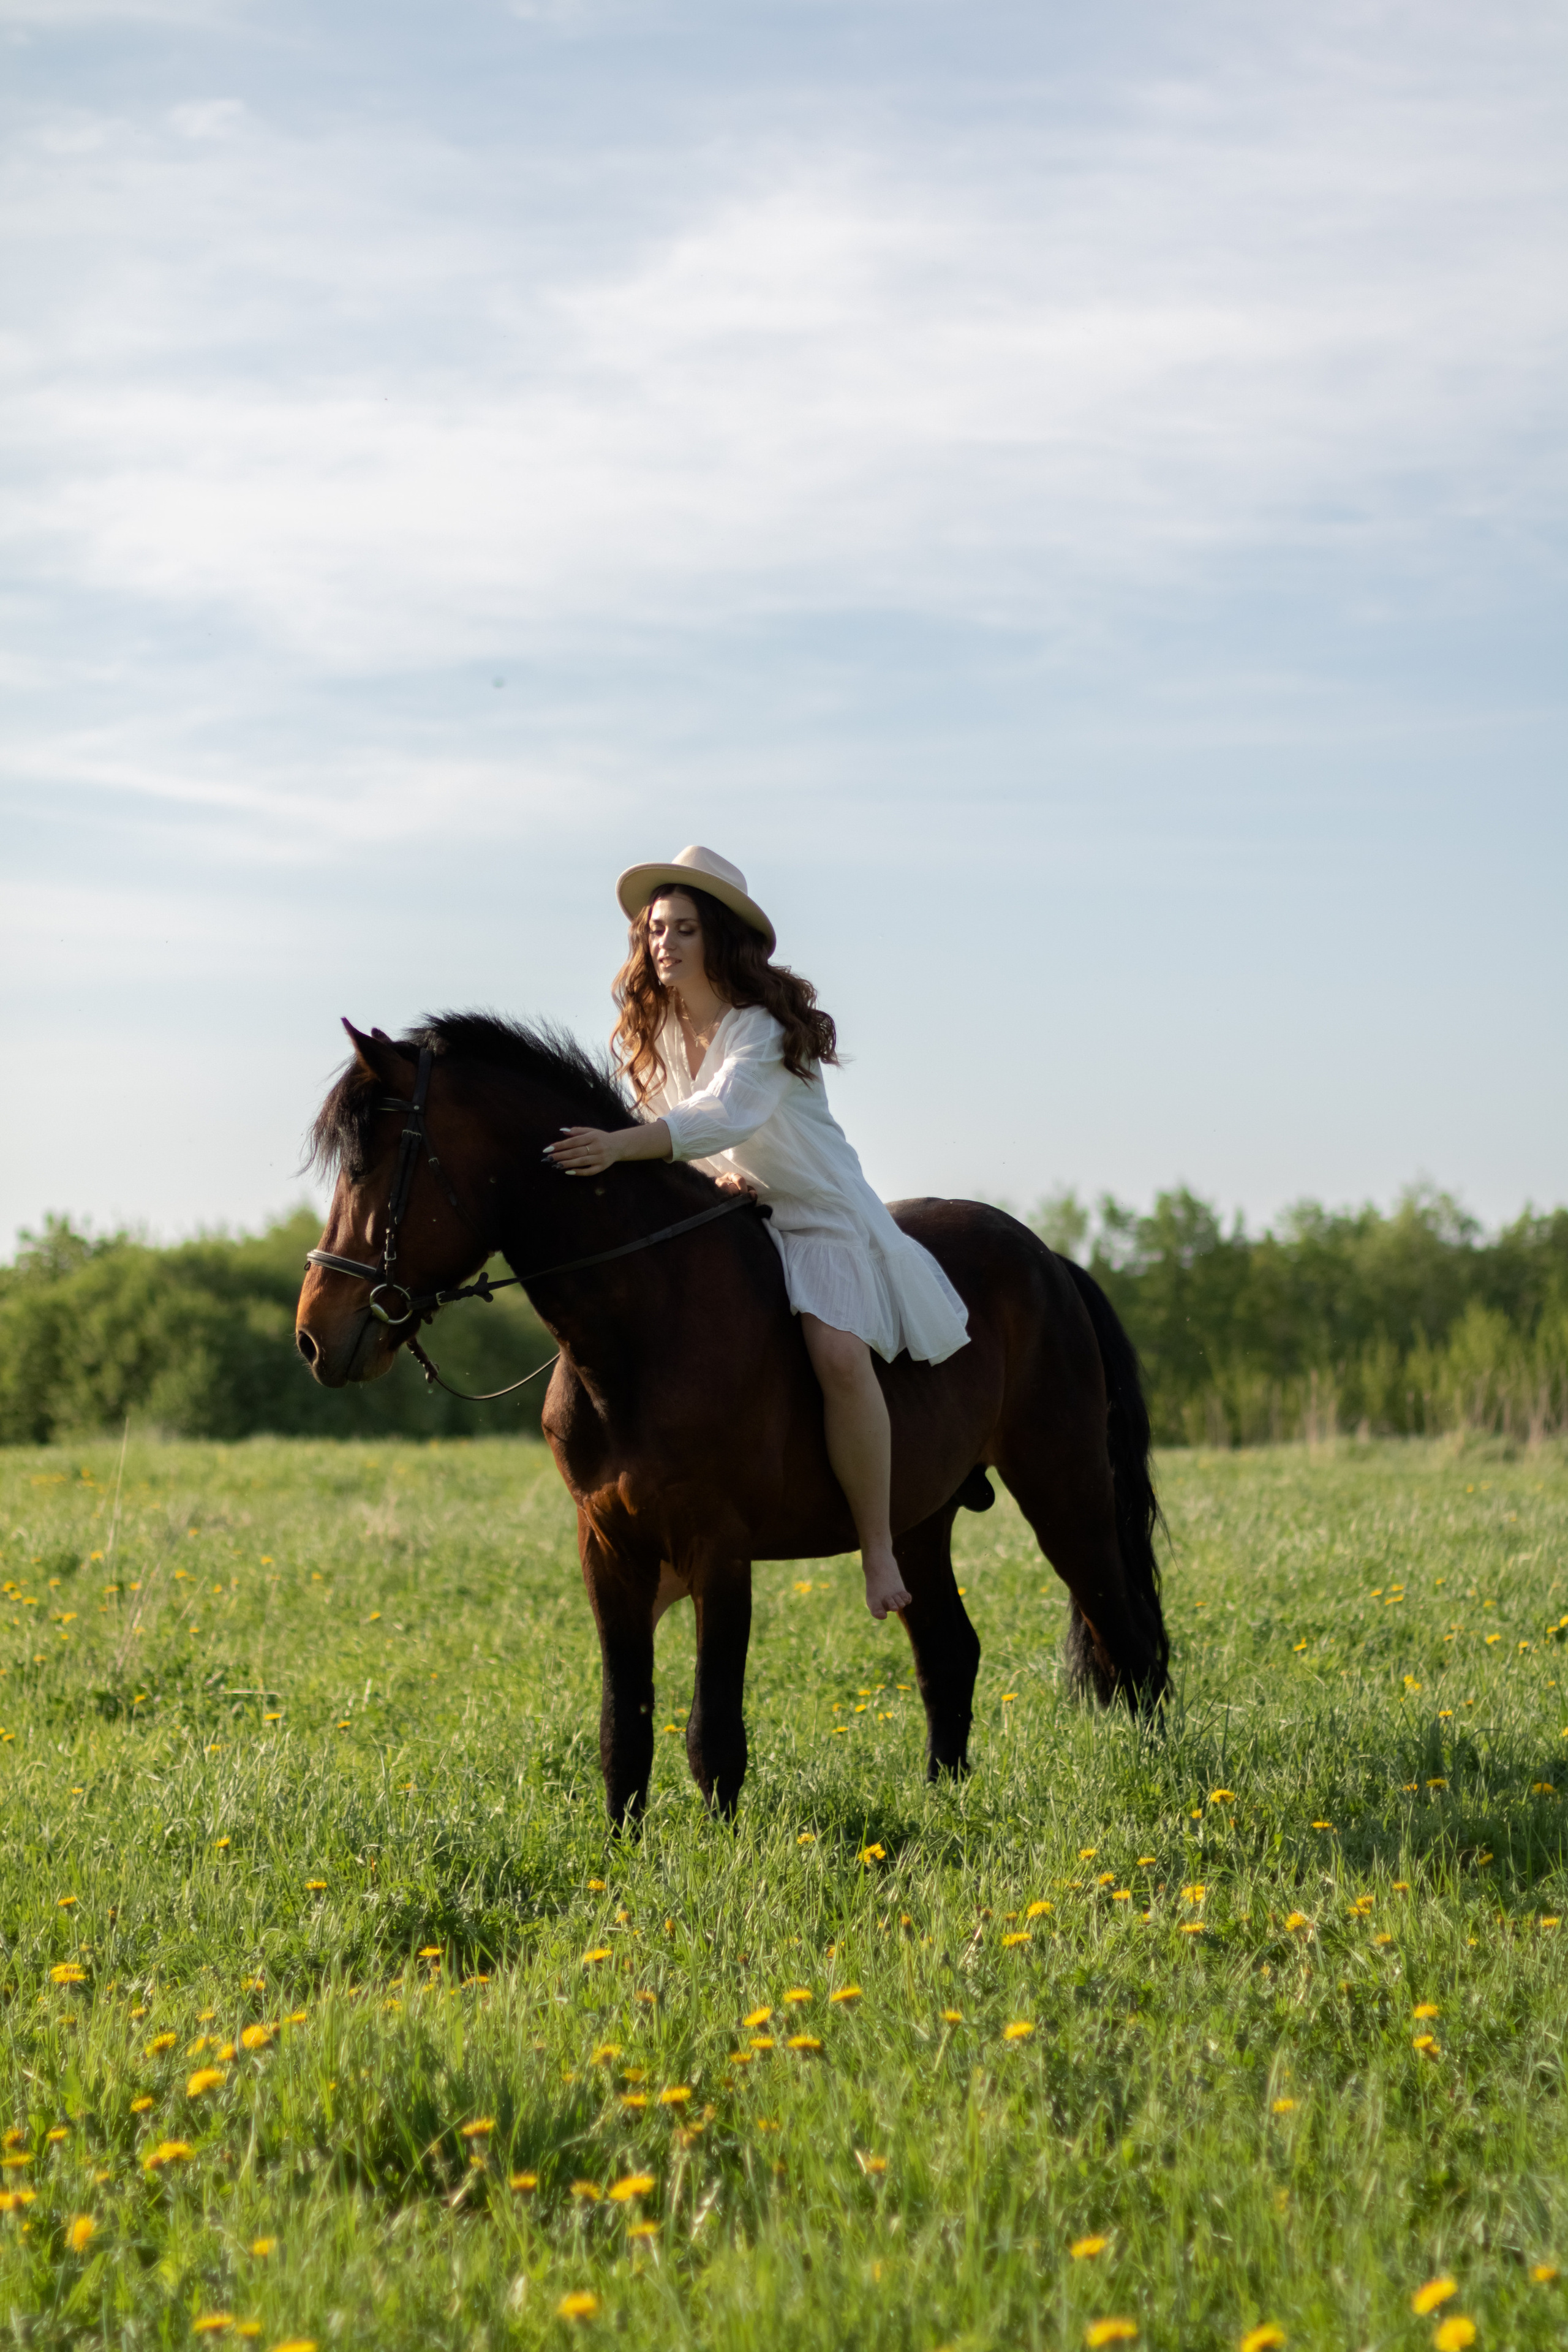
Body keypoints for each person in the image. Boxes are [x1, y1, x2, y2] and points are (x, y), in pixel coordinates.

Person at [543, 844, 970, 1622]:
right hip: (734, 1212)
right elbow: (671, 1135)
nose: (662, 945)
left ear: (721, 940)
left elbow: (719, 1117)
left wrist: (620, 1148)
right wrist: (690, 1177)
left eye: (682, 930)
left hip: (816, 1213)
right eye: (654, 931)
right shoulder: (653, 1032)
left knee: (837, 1356)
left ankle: (877, 1544)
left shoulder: (761, 1030)